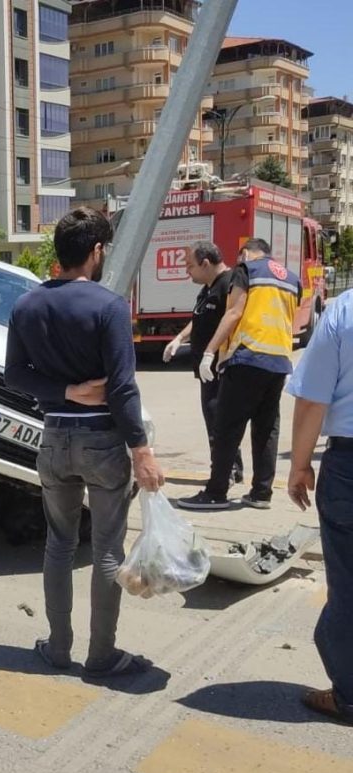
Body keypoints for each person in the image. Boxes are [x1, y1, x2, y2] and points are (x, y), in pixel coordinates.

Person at [5, 207, 165, 678]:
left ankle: (57, 648)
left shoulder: (27, 305)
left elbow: (15, 373)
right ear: (96, 252)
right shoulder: (109, 306)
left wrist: (63, 394)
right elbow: (122, 387)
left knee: (59, 545)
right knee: (107, 550)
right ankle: (102, 655)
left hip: (53, 438)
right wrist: (142, 451)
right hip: (102, 443)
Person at [178, 238, 300, 511]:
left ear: (246, 253)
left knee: (226, 427)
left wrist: (210, 352)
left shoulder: (247, 270)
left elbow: (233, 312)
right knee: (266, 428)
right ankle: (261, 493)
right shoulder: (292, 279)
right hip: (279, 361)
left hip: (248, 357)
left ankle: (216, 492)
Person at [287, 289, 353, 726]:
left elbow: (313, 398)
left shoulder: (346, 311)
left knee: (348, 585)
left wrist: (298, 464)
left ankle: (348, 695)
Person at [162, 241, 243, 484]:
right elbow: (198, 318)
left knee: (220, 421)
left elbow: (232, 319)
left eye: (190, 266)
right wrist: (179, 338)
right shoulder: (208, 287)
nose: (187, 272)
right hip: (205, 370)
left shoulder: (229, 284)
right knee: (214, 420)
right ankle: (232, 467)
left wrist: (211, 353)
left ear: (205, 263)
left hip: (220, 367)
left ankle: (224, 471)